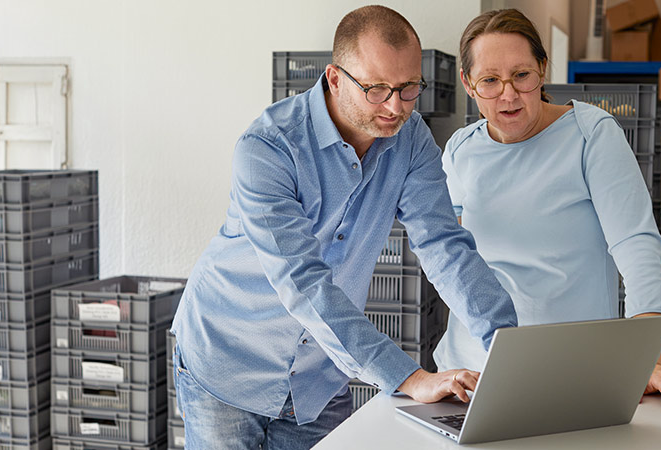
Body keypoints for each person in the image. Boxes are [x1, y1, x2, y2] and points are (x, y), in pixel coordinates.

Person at [170, 5, 519, 449]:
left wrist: (505, 346)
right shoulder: (267, 149)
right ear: (335, 79)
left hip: (318, 378)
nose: (396, 106)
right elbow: (304, 282)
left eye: (409, 88)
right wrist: (408, 377)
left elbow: (444, 245)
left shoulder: (411, 141)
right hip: (228, 363)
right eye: (376, 89)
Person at [432, 9, 661, 414]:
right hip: (471, 376)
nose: (508, 94)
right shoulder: (459, 149)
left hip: (571, 372)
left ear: (542, 70)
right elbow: (447, 253)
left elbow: (637, 249)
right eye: (490, 80)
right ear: (469, 85)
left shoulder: (590, 134)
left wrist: (652, 360)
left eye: (521, 75)